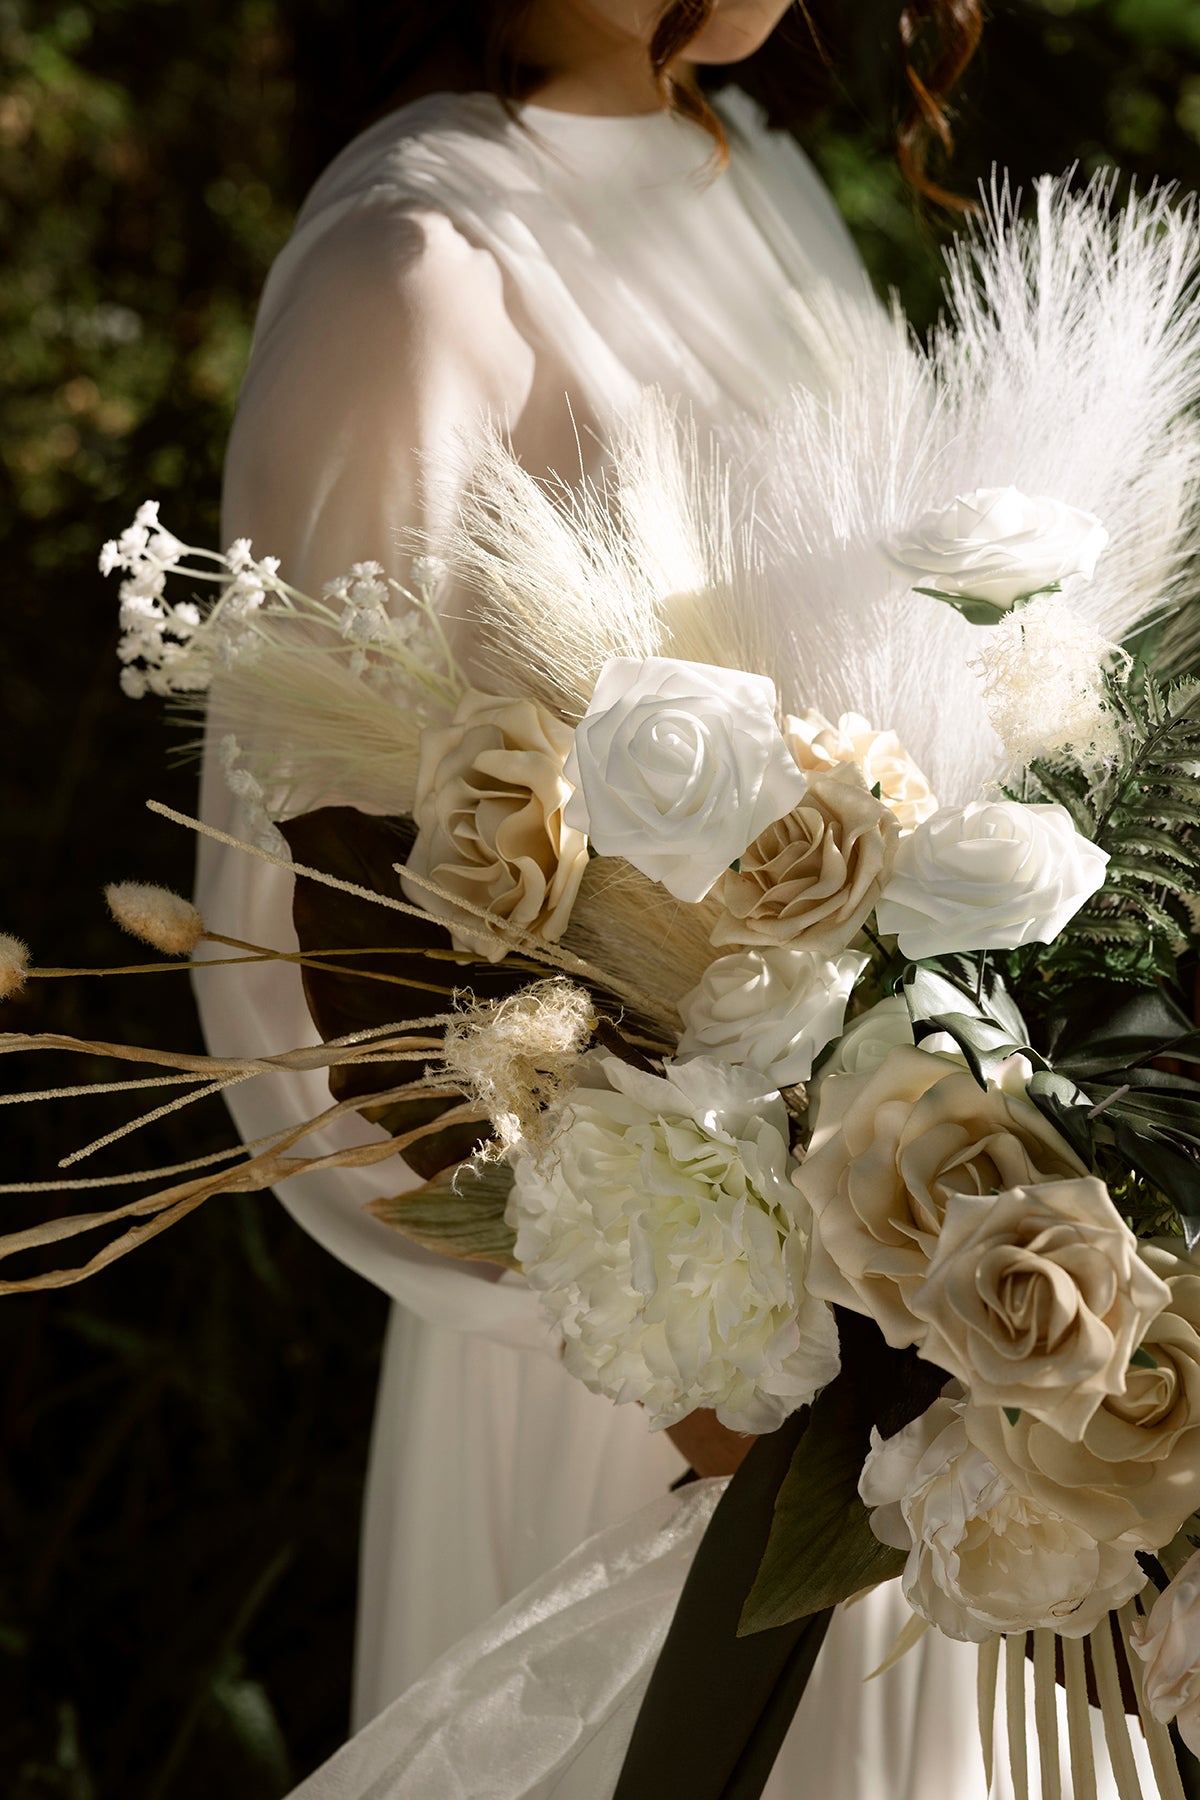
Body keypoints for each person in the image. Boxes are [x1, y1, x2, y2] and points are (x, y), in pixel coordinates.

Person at [192, 4, 1066, 1792]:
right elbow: (320, 945)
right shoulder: (413, 273)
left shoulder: (741, 156)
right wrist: (704, 1375)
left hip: (922, 1305)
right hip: (654, 1386)